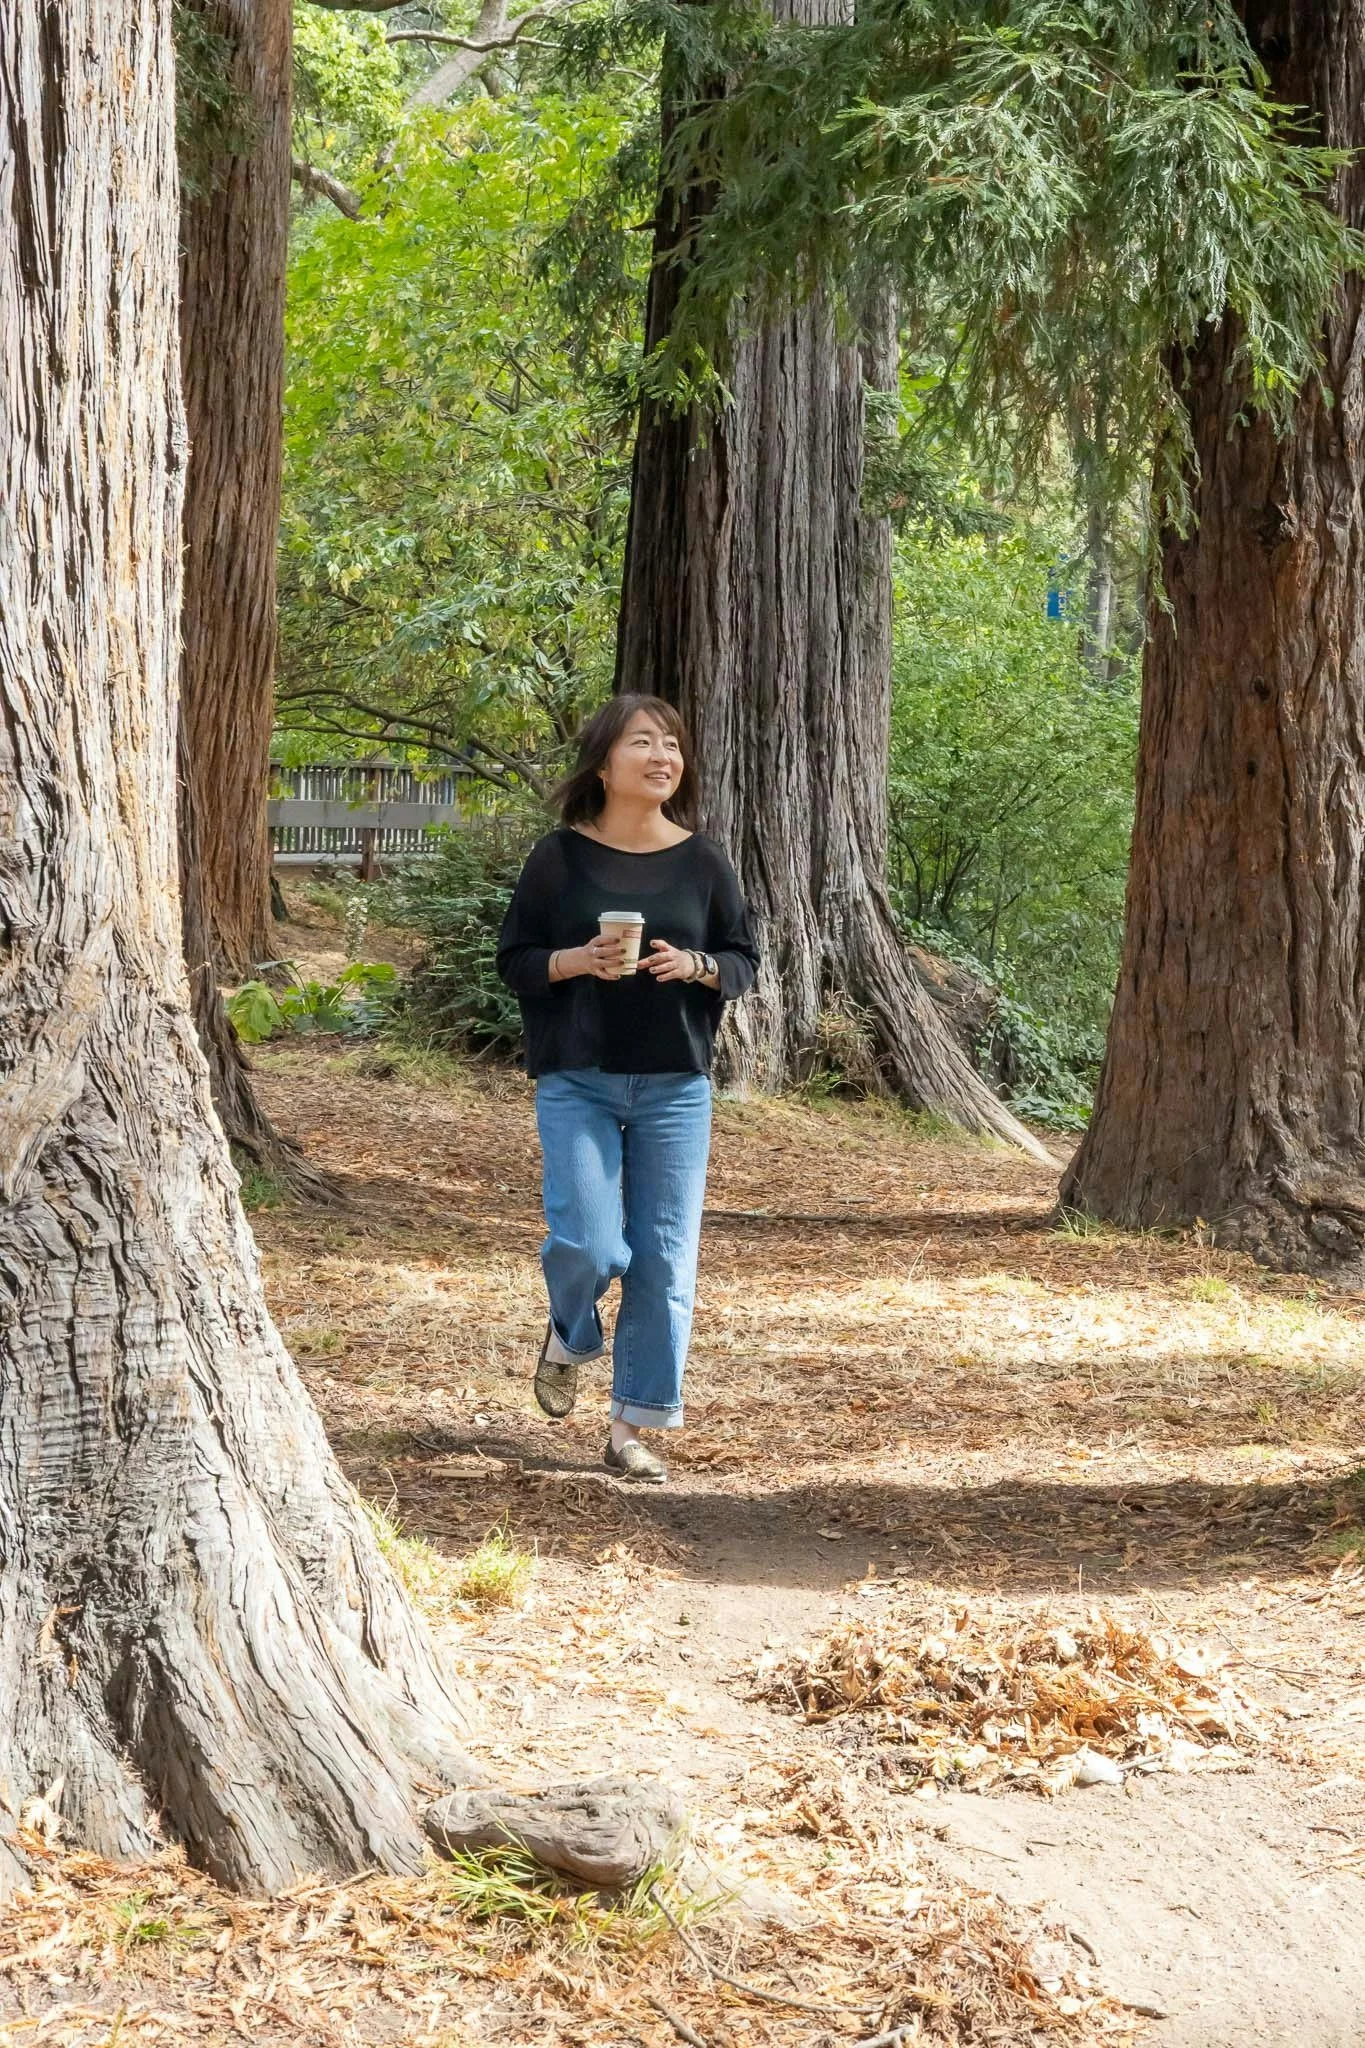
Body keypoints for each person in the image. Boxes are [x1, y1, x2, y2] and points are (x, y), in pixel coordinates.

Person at [496, 694, 759, 1484]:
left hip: (675, 1086)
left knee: (664, 1261)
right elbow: (514, 959)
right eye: (643, 741)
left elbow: (743, 958)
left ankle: (630, 1428)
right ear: (604, 763)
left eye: (671, 743)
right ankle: (570, 1333)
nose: (662, 755)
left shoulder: (703, 860)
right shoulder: (558, 858)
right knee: (589, 1242)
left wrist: (697, 967)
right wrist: (575, 961)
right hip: (577, 1078)